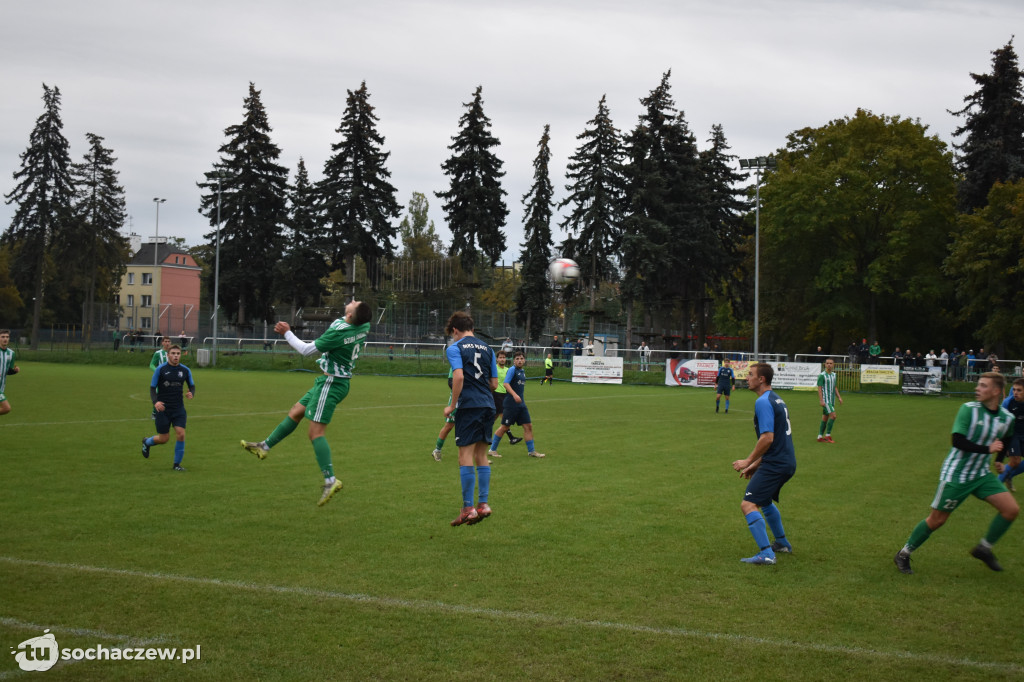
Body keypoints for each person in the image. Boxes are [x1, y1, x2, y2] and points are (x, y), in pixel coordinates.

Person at [240, 299, 372, 506]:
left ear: (349, 316)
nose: (353, 300)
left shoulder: (340, 333)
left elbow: (305, 350)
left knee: (315, 433)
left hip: (332, 383)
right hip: (330, 381)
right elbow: (358, 317)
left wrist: (287, 332)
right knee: (296, 412)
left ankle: (330, 480)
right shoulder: (363, 324)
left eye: (355, 303)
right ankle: (265, 446)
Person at [893, 372, 1019, 575]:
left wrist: (998, 461)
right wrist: (988, 450)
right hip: (956, 474)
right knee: (937, 520)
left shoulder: (1007, 418)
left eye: (983, 386)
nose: (977, 389)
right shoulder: (968, 410)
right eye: (978, 385)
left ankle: (984, 548)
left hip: (980, 475)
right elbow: (957, 441)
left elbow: (1006, 437)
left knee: (1011, 510)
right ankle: (903, 554)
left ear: (996, 391)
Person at [731, 362, 796, 565]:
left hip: (776, 463)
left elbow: (767, 438)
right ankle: (782, 543)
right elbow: (776, 441)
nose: (746, 378)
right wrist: (756, 465)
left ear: (762, 379)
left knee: (748, 504)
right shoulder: (777, 399)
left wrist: (747, 461)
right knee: (764, 500)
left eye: (750, 375)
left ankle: (767, 553)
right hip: (785, 461)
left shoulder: (762, 401)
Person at [443, 310, 498, 526]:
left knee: (464, 455)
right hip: (488, 405)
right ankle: (483, 504)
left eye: (452, 333)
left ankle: (468, 508)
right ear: (472, 329)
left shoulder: (455, 347)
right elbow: (494, 384)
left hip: (470, 406)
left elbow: (458, 376)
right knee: (481, 455)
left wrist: (452, 405)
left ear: (455, 330)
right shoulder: (488, 348)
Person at [140, 344, 194, 471]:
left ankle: (177, 465)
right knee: (164, 438)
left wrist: (191, 393)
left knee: (181, 434)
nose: (176, 356)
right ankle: (147, 442)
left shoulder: (185, 370)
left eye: (178, 354)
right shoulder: (161, 369)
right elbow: (153, 388)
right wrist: (156, 402)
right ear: (168, 355)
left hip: (178, 408)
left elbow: (192, 385)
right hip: (163, 409)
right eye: (173, 353)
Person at [489, 350, 545, 459]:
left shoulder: (522, 371)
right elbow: (505, 383)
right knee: (504, 427)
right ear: (514, 361)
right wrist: (514, 395)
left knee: (528, 426)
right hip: (511, 404)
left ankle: (531, 451)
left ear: (524, 360)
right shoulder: (512, 370)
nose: (520, 361)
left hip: (521, 405)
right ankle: (492, 450)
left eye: (521, 359)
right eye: (517, 359)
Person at [489, 350, 522, 450]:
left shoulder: (508, 370)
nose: (502, 359)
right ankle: (511, 438)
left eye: (504, 357)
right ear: (497, 359)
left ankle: (484, 435)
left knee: (493, 418)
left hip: (505, 395)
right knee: (504, 417)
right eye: (500, 357)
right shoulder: (494, 369)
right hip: (497, 394)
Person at [997, 378, 1024, 492]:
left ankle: (1009, 475)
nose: (1015, 393)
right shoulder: (1008, 403)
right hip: (1012, 434)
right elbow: (1000, 423)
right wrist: (1004, 443)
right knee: (1015, 460)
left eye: (1019, 390)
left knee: (1017, 462)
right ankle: (996, 486)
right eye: (1014, 390)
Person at [431, 367, 457, 462]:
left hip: (469, 400)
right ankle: (437, 450)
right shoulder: (456, 364)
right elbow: (451, 383)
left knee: (472, 425)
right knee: (449, 426)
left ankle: (479, 455)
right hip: (457, 400)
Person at [816, 358, 843, 443]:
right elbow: (819, 388)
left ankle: (820, 437)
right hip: (826, 401)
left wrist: (839, 397)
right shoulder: (822, 375)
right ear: (825, 365)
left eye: (831, 363)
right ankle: (828, 436)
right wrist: (821, 400)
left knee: (825, 418)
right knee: (833, 416)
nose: (829, 365)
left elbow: (834, 387)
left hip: (832, 400)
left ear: (833, 365)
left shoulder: (834, 375)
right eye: (827, 363)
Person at [0, 329, 20, 416]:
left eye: (7, 337)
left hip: (1, 387)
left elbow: (7, 371)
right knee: (6, 408)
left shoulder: (11, 353)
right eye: (3, 337)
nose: (5, 339)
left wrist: (14, 371)